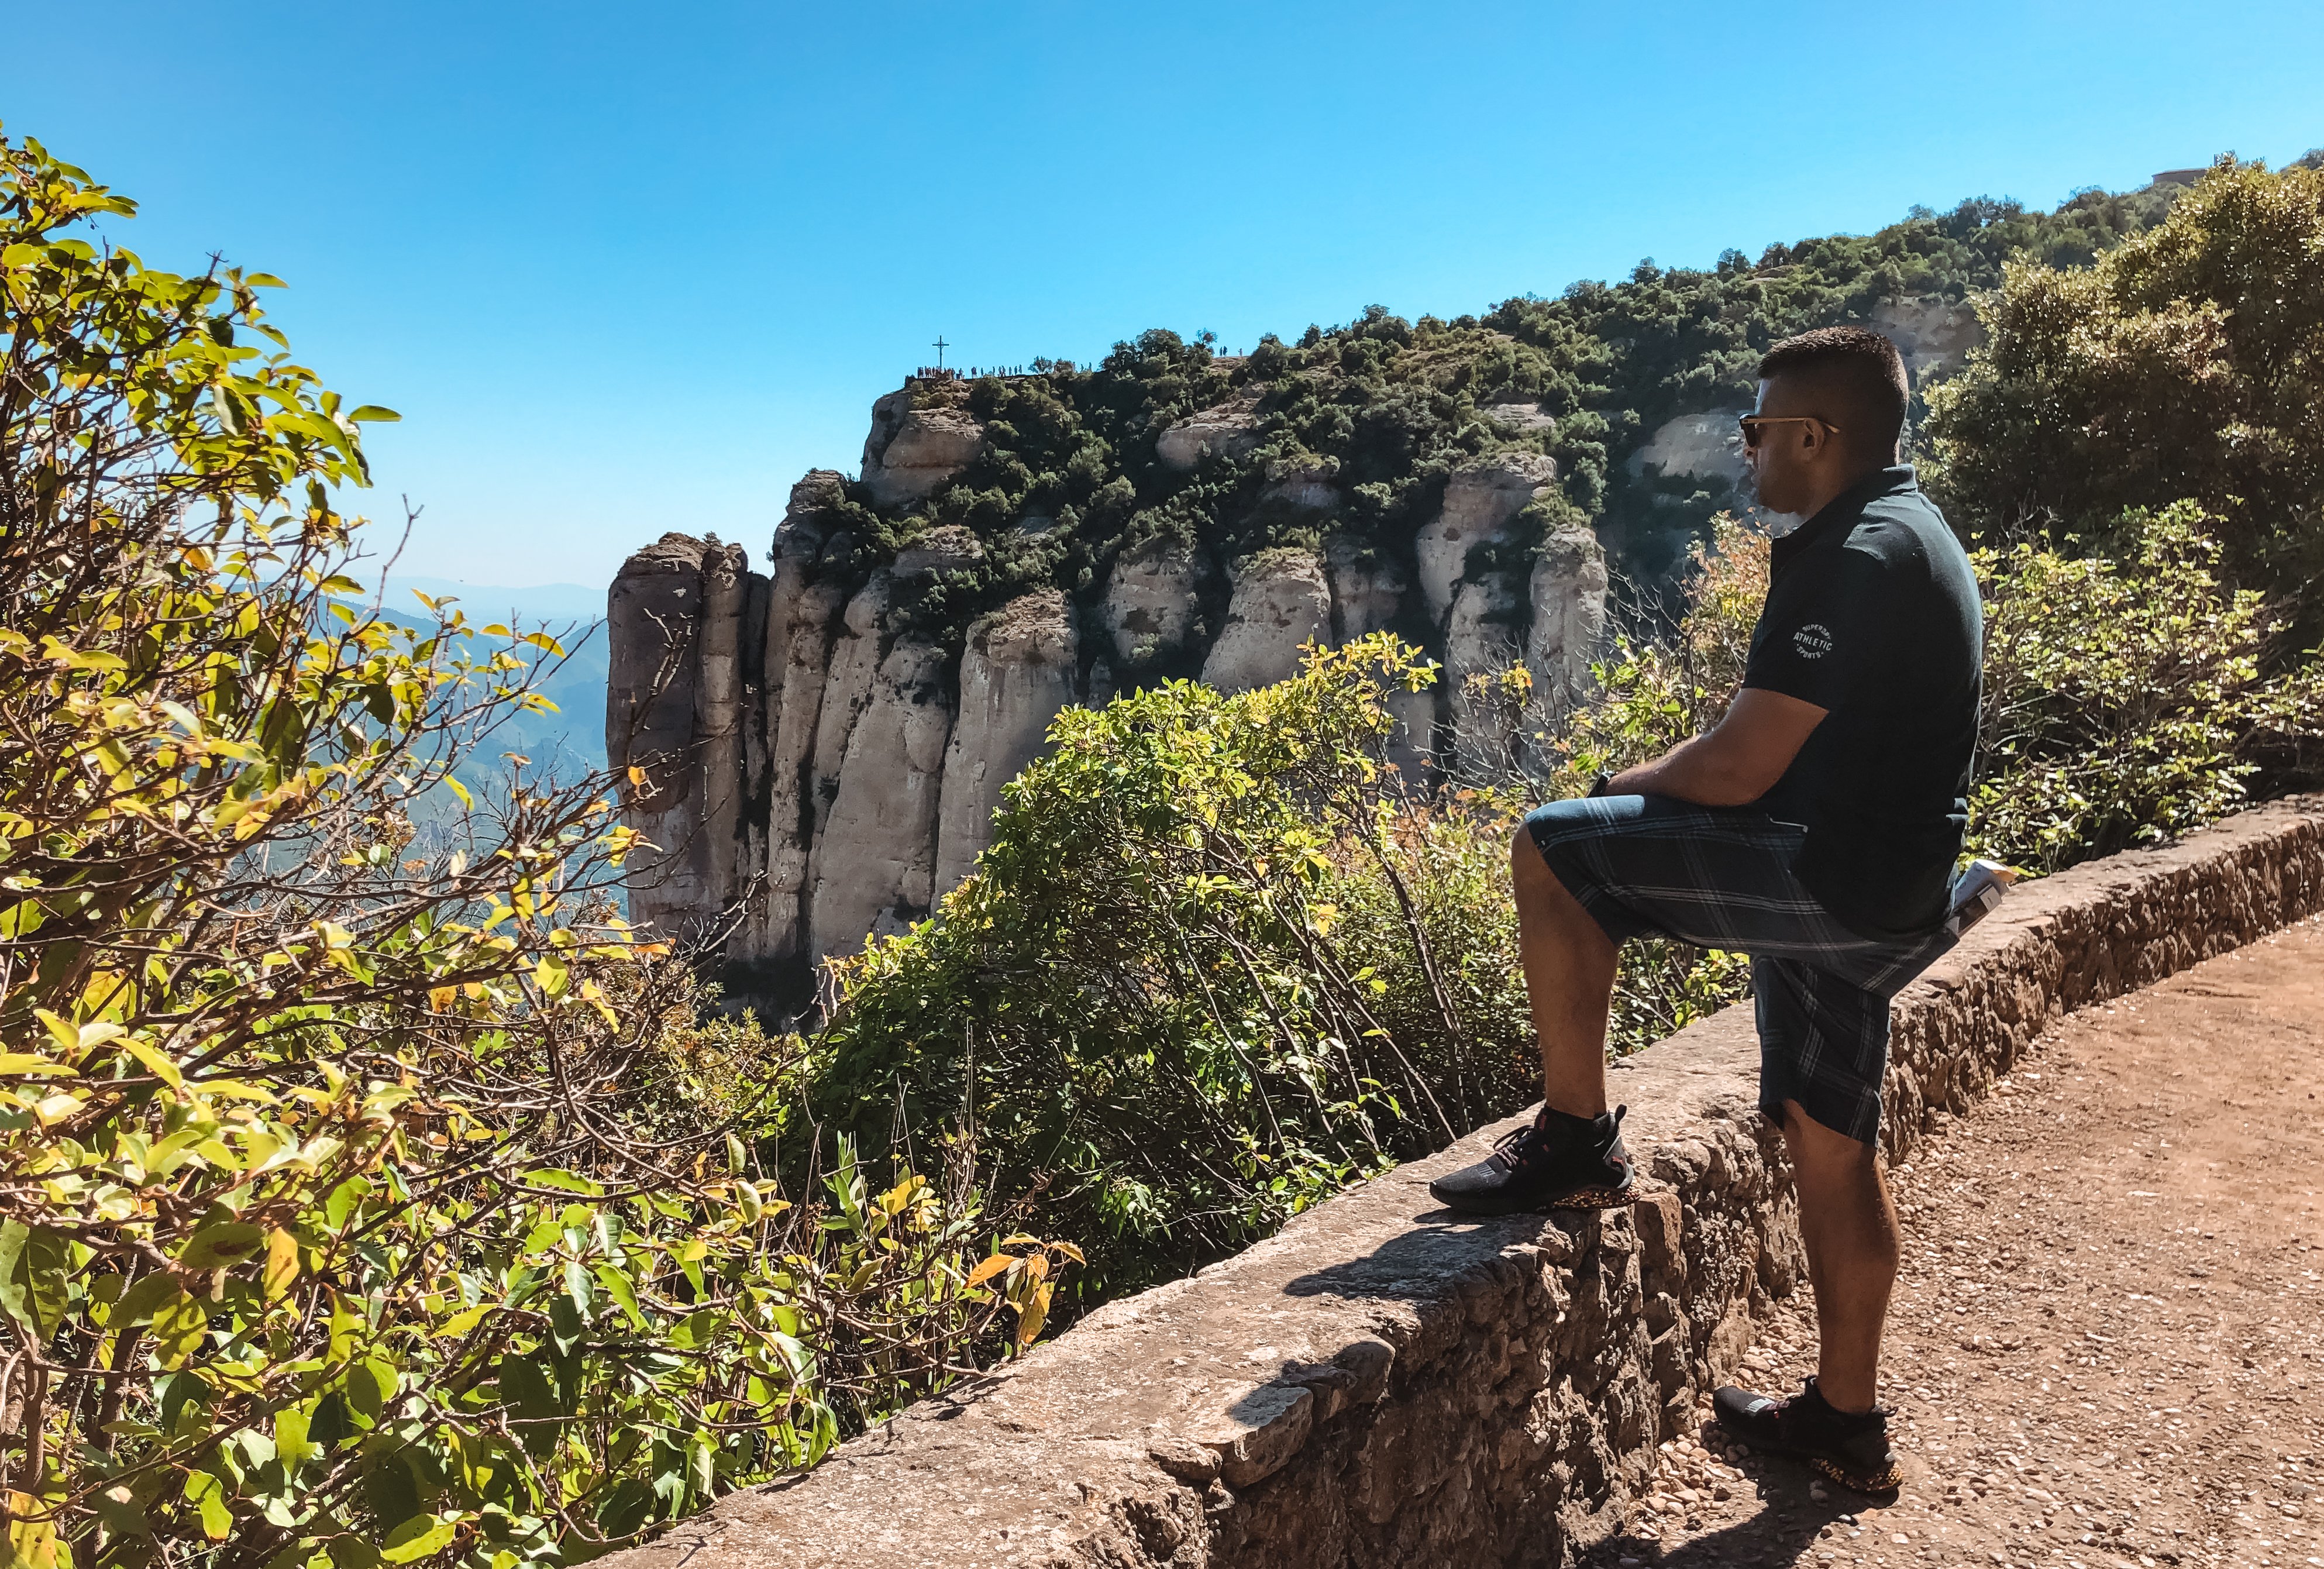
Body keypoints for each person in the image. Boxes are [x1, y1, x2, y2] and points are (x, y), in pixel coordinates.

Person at [1428, 325, 1985, 1495]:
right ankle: (1845, 1422)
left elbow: (1736, 767)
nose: (1743, 453)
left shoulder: (1854, 554)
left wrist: (1617, 792)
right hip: (1883, 889)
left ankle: (1575, 1141)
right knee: (1833, 1147)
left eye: (1756, 430)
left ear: (1816, 436)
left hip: (1822, 878)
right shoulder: (1915, 532)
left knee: (1551, 851)